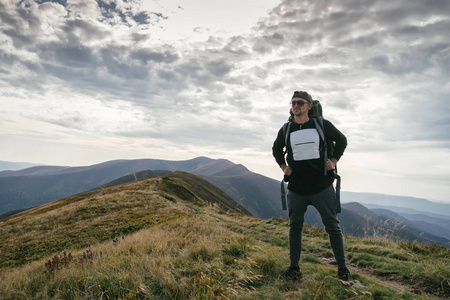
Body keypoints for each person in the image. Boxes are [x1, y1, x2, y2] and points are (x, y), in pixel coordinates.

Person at [272, 90, 351, 281]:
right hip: (297, 188)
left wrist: (333, 160)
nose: (296, 106)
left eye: (300, 102)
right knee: (295, 227)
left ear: (309, 106)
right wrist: (283, 167)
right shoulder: (286, 129)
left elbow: (342, 140)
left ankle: (342, 268)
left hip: (322, 186)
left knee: (332, 226)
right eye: (292, 103)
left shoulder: (321, 125)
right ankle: (294, 268)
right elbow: (276, 149)